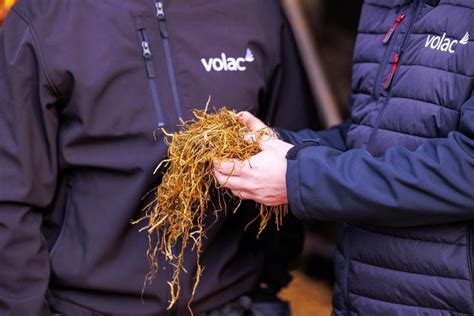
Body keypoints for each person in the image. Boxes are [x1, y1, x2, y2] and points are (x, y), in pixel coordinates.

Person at [0, 0, 320, 315]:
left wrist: (267, 279)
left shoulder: (256, 11)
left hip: (230, 300)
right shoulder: (43, 19)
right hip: (86, 305)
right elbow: (11, 196)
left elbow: (290, 152)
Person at [214, 0, 474, 314]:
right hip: (361, 296)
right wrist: (277, 147)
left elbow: (466, 169)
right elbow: (368, 138)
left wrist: (300, 177)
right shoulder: (382, 6)